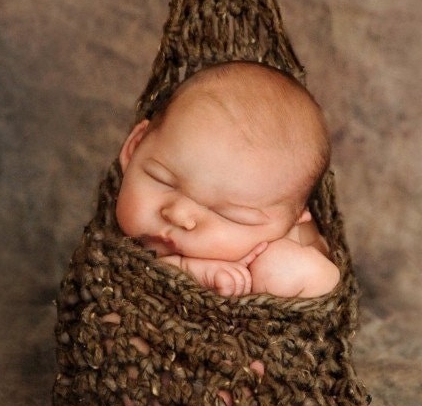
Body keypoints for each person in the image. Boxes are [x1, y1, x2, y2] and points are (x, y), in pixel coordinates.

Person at [116, 61, 340, 299]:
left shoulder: (291, 245)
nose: (179, 215)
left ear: (292, 221)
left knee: (286, 269)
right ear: (134, 147)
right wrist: (191, 271)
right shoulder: (109, 254)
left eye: (228, 215)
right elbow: (128, 275)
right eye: (161, 180)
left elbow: (327, 296)